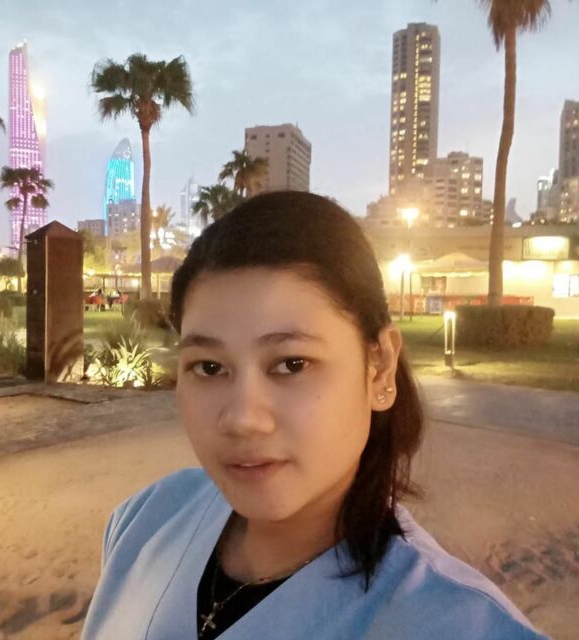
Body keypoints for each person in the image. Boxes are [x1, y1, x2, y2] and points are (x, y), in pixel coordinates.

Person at [80, 192, 548, 640]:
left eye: (292, 364)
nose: (242, 419)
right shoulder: (146, 521)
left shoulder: (458, 623)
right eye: (209, 367)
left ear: (380, 368)